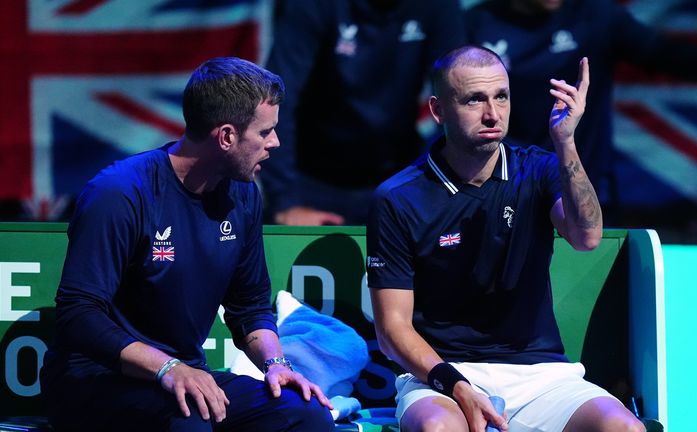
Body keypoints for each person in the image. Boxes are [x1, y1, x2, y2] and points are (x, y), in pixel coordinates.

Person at [40, 57, 335, 432]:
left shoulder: (243, 196)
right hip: (94, 381)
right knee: (189, 421)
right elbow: (78, 314)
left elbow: (249, 308)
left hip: (184, 376)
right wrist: (166, 367)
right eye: (265, 133)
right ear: (226, 136)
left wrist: (277, 366)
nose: (274, 143)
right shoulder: (120, 193)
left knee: (306, 414)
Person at [366, 46, 644, 431]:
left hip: (541, 376)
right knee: (437, 429)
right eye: (474, 99)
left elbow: (587, 237)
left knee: (624, 428)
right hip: (444, 374)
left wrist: (565, 143)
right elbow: (392, 329)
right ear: (438, 110)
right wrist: (457, 386)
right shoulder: (399, 198)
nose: (492, 113)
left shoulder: (540, 169)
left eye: (501, 96)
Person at [465, 0, 697, 219]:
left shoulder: (596, 16)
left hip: (584, 187)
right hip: (503, 189)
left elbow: (657, 51)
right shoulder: (475, 24)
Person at [262, 0, 466, 225]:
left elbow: (457, 98)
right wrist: (285, 203)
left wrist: (450, 188)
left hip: (400, 176)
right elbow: (278, 97)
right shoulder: (313, 5)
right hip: (311, 181)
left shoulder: (439, 6)